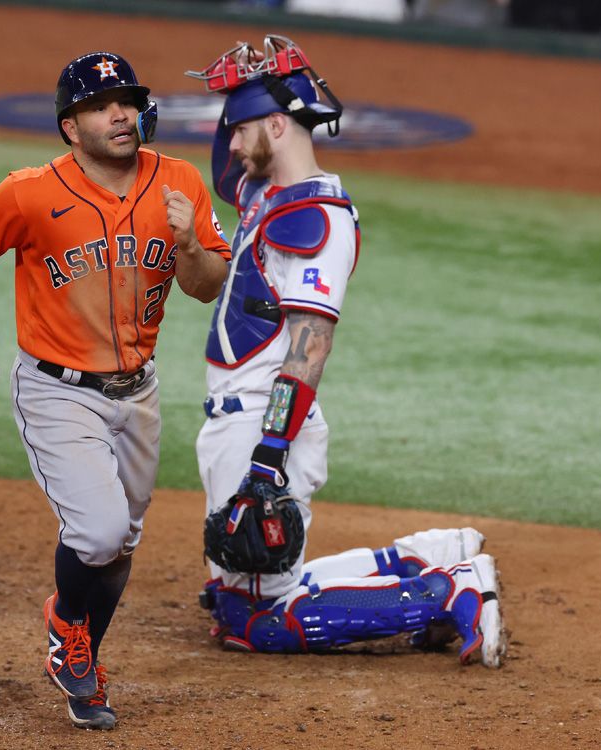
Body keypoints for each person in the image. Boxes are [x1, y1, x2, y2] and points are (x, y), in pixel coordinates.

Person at [187, 35, 506, 665]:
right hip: (238, 417)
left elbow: (309, 351)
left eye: (240, 123)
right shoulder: (266, 194)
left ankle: (448, 594)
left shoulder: (315, 219)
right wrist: (259, 90)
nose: (227, 135)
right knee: (233, 600)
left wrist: (265, 460)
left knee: (257, 624)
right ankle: (429, 555)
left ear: (276, 126)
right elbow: (230, 171)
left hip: (263, 421)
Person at [0, 51, 230, 730]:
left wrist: (191, 246)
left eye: (127, 100)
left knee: (121, 543)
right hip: (58, 391)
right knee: (98, 533)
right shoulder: (28, 191)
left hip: (140, 392)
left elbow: (207, 286)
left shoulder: (180, 181)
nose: (121, 114)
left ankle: (80, 651)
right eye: (104, 105)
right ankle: (68, 624)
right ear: (71, 126)